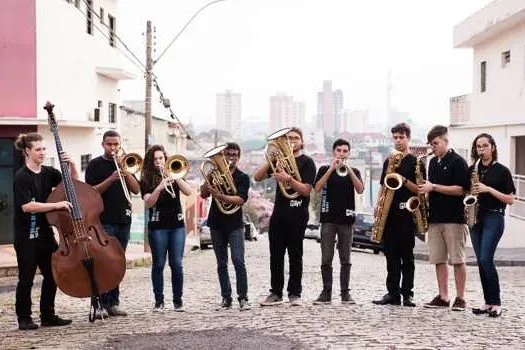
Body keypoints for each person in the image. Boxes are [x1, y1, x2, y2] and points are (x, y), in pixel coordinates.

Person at [13, 133, 76, 330]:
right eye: (38, 149)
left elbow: (72, 185)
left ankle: (47, 315)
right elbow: (27, 207)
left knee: (52, 274)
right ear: (27, 151)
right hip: (27, 235)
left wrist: (72, 164)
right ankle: (24, 318)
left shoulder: (49, 172)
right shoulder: (21, 176)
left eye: (44, 149)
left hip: (45, 234)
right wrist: (56, 205)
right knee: (26, 278)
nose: (42, 152)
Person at [254, 127, 316, 306]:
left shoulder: (307, 162)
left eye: (296, 138)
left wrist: (288, 179)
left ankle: (295, 294)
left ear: (302, 142)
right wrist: (270, 159)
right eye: (288, 138)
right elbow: (257, 177)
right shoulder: (278, 161)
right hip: (279, 213)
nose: (292, 140)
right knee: (276, 255)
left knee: (295, 255)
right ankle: (275, 293)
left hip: (298, 213)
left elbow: (305, 190)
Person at [85, 130, 140, 317]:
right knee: (103, 263)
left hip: (124, 219)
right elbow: (91, 192)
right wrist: (111, 179)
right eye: (109, 144)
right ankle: (100, 303)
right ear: (103, 145)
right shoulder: (94, 165)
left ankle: (113, 302)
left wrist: (126, 173)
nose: (113, 148)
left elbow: (136, 189)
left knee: (118, 262)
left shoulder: (126, 164)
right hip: (104, 221)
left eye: (116, 144)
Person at [419, 125, 470, 311]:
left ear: (446, 141)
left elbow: (461, 190)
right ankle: (443, 297)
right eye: (431, 144)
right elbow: (430, 188)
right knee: (439, 259)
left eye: (436, 143)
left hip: (454, 219)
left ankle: (461, 298)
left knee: (458, 260)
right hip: (435, 218)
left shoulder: (458, 161)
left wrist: (433, 187)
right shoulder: (432, 163)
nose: (433, 148)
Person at [372, 123, 420, 307]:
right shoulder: (389, 161)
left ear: (408, 137)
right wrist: (378, 206)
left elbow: (419, 190)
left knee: (407, 257)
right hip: (389, 214)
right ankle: (393, 293)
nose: (398, 141)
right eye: (396, 138)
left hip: (406, 213)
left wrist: (404, 180)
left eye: (401, 137)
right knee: (390, 256)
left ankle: (407, 294)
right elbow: (384, 187)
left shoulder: (415, 162)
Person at [140, 145, 192, 312]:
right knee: (159, 264)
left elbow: (188, 191)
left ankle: (178, 301)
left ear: (165, 158)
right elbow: (148, 202)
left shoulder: (174, 173)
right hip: (157, 227)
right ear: (150, 161)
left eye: (161, 158)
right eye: (155, 159)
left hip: (176, 225)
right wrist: (159, 187)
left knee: (177, 264)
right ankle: (159, 301)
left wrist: (175, 176)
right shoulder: (146, 180)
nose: (159, 162)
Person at [468, 134, 515, 318]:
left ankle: (496, 303)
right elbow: (467, 190)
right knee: (480, 261)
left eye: (485, 146)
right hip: (476, 217)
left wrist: (488, 189)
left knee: (486, 258)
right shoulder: (473, 169)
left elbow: (510, 199)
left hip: (494, 217)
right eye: (478, 147)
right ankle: (488, 303)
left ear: (492, 147)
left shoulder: (502, 171)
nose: (481, 150)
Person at [200, 142, 251, 310]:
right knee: (221, 263)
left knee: (238, 261)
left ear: (239, 157)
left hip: (235, 223)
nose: (231, 157)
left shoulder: (243, 177)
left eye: (234, 155)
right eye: (228, 154)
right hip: (216, 223)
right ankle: (226, 297)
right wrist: (208, 183)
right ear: (223, 156)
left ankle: (243, 297)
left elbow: (241, 200)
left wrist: (221, 196)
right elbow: (203, 194)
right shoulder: (215, 174)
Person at [312, 138, 364, 305]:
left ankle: (345, 293)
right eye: (339, 151)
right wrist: (331, 169)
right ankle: (326, 292)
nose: (341, 154)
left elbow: (360, 189)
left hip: (346, 220)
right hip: (328, 219)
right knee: (326, 257)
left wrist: (348, 169)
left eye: (345, 151)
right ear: (333, 152)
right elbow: (317, 188)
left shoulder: (353, 170)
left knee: (346, 258)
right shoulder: (323, 169)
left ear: (349, 154)